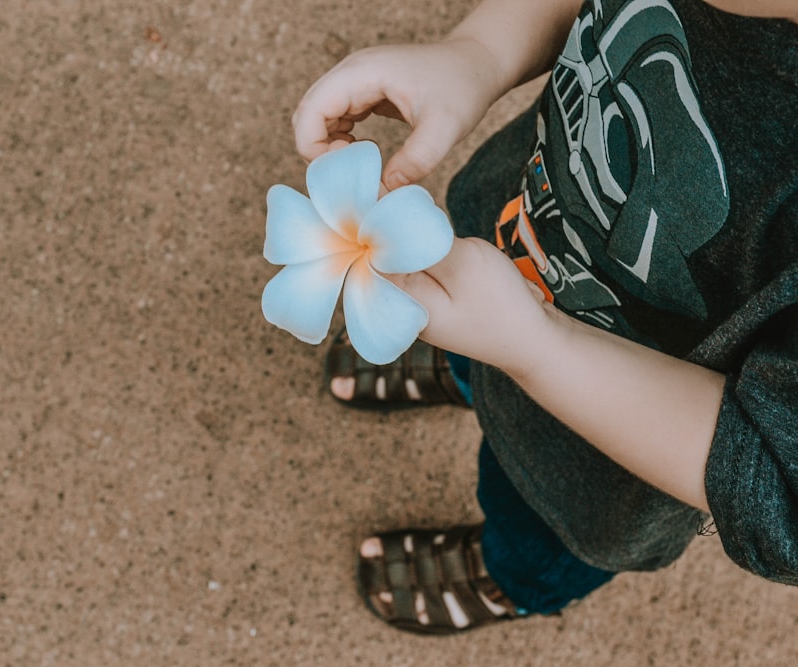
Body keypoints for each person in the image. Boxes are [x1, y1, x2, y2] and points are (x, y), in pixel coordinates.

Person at [291, 0, 798, 634]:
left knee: (533, 520)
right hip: (518, 226)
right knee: (466, 329)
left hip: (607, 448)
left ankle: (512, 579)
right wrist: (476, 54)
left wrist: (537, 349)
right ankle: (467, 362)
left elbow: (776, 481)